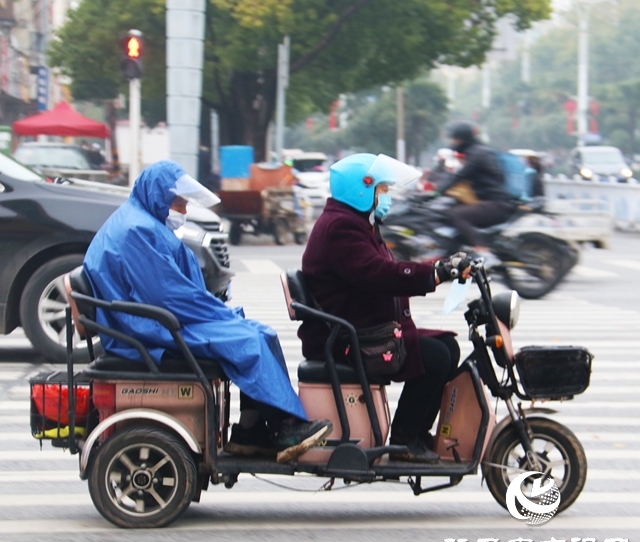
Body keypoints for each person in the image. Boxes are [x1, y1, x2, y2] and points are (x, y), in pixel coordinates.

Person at [83, 160, 331, 463]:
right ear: (158, 195)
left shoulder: (143, 221)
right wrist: (220, 314)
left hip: (153, 318)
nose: (183, 210)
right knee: (247, 341)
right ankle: (286, 426)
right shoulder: (137, 230)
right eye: (179, 201)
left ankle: (250, 432)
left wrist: (219, 312)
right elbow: (169, 296)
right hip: (149, 327)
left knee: (261, 333)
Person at [299, 153, 471, 464]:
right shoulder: (341, 228)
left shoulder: (357, 223)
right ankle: (404, 439)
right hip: (348, 340)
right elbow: (378, 274)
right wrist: (435, 274)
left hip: (362, 327)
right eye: (382, 190)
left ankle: (415, 433)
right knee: (436, 356)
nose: (386, 197)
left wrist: (439, 267)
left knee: (447, 346)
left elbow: (386, 270)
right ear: (361, 190)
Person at [437, 122, 517, 261]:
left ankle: (482, 251)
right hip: (492, 201)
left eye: (456, 139)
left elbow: (459, 176)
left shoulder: (477, 154)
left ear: (463, 139)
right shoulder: (479, 151)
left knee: (456, 215)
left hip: (496, 203)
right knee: (449, 209)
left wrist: (436, 192)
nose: (454, 143)